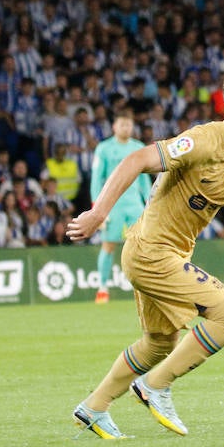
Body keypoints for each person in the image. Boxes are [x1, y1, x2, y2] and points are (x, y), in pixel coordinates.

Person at [67, 71, 224, 440]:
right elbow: (136, 159)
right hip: (151, 252)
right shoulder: (203, 141)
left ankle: (94, 407)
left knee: (159, 343)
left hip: (169, 252)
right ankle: (155, 385)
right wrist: (98, 213)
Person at [88, 113, 151, 304]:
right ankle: (102, 288)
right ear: (114, 126)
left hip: (134, 204)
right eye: (122, 124)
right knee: (108, 245)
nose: (126, 128)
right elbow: (96, 179)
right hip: (113, 204)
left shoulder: (138, 147)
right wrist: (96, 207)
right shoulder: (104, 148)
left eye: (129, 125)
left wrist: (150, 203)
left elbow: (144, 180)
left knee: (143, 245)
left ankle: (145, 288)